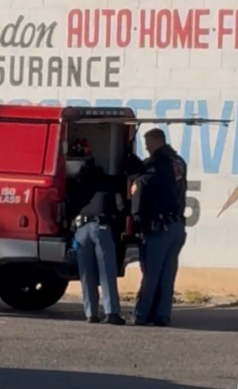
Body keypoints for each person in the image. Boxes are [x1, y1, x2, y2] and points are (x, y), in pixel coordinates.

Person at [131, 128, 188, 326]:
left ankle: (142, 314)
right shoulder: (178, 162)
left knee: (152, 273)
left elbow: (146, 182)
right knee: (168, 273)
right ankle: (163, 314)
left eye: (148, 144)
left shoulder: (157, 164)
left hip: (160, 227)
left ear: (157, 141)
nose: (146, 148)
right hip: (177, 225)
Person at [69, 160, 125, 325]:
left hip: (81, 230)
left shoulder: (77, 187)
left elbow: (69, 207)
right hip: (100, 227)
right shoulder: (108, 186)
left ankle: (91, 313)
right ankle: (111, 312)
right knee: (106, 272)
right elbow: (120, 207)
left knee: (86, 274)